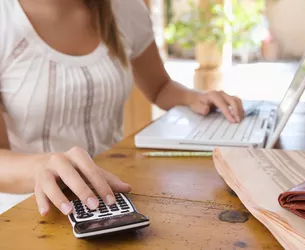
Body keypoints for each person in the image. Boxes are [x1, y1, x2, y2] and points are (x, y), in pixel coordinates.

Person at [0, 0, 244, 216]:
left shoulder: (124, 7)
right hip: (32, 208)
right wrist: (41, 166)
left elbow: (160, 87)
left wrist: (196, 97)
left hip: (118, 196)